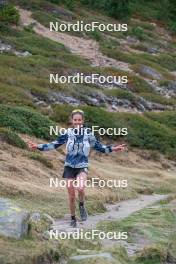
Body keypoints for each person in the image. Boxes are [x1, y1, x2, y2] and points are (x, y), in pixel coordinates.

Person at [28, 109, 127, 227]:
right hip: (69, 166)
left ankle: (81, 205)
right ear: (72, 120)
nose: (77, 122)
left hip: (82, 166)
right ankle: (73, 219)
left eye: (79, 120)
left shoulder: (88, 133)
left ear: (83, 121)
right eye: (75, 120)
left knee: (80, 188)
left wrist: (114, 148)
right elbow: (54, 144)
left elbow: (99, 147)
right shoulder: (67, 133)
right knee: (71, 195)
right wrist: (38, 146)